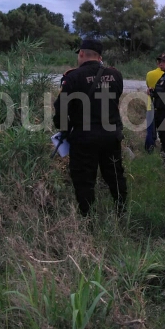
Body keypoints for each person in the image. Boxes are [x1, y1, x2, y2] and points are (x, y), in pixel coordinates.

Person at [53, 38, 127, 217]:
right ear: (100, 57)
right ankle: (122, 212)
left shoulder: (73, 77)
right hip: (111, 135)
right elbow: (115, 100)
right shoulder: (116, 75)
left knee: (84, 179)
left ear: (81, 54)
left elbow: (61, 109)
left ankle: (88, 218)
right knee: (115, 175)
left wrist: (65, 130)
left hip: (84, 137)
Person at [145, 60, 164, 153]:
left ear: (157, 63)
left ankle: (149, 148)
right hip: (162, 106)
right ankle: (163, 149)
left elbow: (148, 86)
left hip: (150, 105)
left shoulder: (149, 74)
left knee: (150, 129)